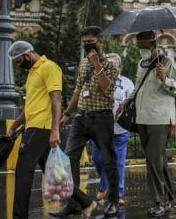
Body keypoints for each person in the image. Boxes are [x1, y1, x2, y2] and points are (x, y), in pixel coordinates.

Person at [54, 26, 121, 218]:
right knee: (68, 159)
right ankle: (74, 203)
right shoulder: (83, 64)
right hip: (81, 118)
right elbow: (77, 90)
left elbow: (107, 88)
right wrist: (67, 113)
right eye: (84, 42)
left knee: (109, 160)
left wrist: (97, 64)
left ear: (100, 41)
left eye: (90, 41)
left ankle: (113, 201)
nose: (86, 44)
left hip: (101, 118)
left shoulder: (112, 61)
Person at [119, 30, 176, 217]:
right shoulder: (141, 64)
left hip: (160, 119)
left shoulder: (167, 63)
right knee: (159, 161)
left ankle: (159, 202)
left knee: (153, 161)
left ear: (153, 45)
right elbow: (138, 87)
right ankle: (169, 198)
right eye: (139, 47)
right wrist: (124, 103)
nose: (141, 51)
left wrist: (165, 78)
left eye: (144, 47)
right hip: (142, 118)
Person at [6, 41, 62, 219]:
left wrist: (55, 130)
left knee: (23, 171)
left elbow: (57, 99)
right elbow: (29, 107)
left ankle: (19, 216)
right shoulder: (32, 73)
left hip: (41, 127)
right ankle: (86, 203)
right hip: (33, 126)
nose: (18, 65)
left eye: (18, 61)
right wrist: (14, 125)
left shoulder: (49, 67)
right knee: (53, 174)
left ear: (27, 55)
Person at [91, 54, 134, 206]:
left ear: (120, 67)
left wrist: (123, 109)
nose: (111, 67)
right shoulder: (97, 79)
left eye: (113, 65)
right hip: (100, 129)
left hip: (120, 130)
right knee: (97, 158)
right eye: (107, 64)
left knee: (118, 162)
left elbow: (131, 105)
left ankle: (118, 194)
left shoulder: (128, 83)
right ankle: (105, 185)